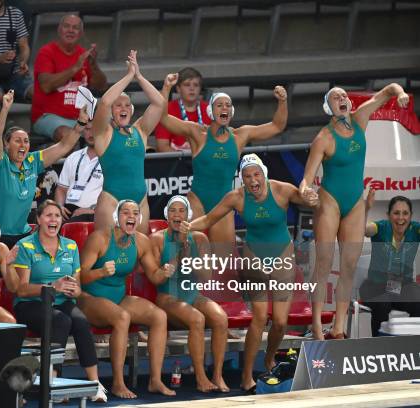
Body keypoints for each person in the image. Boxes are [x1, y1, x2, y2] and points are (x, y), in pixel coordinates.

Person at [181, 154, 319, 393]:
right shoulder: (236, 197)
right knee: (259, 318)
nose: (253, 180)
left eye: (256, 175)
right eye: (247, 176)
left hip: (282, 257)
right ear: (242, 180)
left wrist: (312, 197)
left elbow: (308, 199)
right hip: (254, 258)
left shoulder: (282, 190)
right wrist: (188, 226)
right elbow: (210, 218)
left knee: (280, 322)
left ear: (264, 174)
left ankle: (269, 358)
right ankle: (247, 376)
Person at [299, 83, 409, 339]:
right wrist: (306, 191)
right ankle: (316, 328)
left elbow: (387, 91)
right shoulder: (323, 138)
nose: (342, 98)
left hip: (355, 202)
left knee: (348, 267)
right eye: (336, 97)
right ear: (329, 107)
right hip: (330, 200)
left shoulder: (360, 118)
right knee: (323, 266)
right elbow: (307, 178)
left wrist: (401, 93)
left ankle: (338, 328)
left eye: (344, 95)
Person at [159, 73, 288, 251]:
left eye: (228, 105)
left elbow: (277, 126)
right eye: (219, 105)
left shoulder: (240, 136)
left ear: (232, 112)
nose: (224, 108)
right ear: (211, 111)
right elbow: (163, 118)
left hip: (224, 204)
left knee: (224, 264)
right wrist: (166, 88)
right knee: (187, 257)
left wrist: (282, 101)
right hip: (197, 201)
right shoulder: (198, 133)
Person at [12, 200, 107, 403]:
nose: (53, 219)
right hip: (31, 304)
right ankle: (51, 381)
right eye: (48, 215)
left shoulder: (70, 246)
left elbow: (78, 288)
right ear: (38, 219)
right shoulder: (25, 245)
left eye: (57, 215)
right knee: (61, 320)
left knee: (80, 321)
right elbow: (21, 288)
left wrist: (74, 290)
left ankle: (95, 383)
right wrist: (51, 287)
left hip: (62, 301)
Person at [79, 199, 176, 399]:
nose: (131, 216)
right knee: (122, 317)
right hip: (89, 299)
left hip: (118, 297)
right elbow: (80, 277)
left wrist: (165, 272)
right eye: (125, 213)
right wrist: (101, 272)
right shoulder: (100, 239)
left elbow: (154, 276)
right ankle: (117, 383)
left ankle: (155, 380)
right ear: (116, 217)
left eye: (135, 213)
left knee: (159, 316)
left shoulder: (141, 241)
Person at [0, 90, 87, 248]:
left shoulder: (32, 161)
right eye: (17, 141)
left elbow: (63, 146)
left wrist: (80, 124)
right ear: (6, 145)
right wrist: (5, 108)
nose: (23, 145)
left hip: (21, 234)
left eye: (26, 141)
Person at [150, 195, 229, 392]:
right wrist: (179, 255)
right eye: (173, 211)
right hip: (168, 296)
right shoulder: (157, 239)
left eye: (182, 211)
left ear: (189, 216)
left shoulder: (200, 238)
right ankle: (201, 378)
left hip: (193, 294)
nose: (177, 215)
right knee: (196, 319)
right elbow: (156, 278)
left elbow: (206, 277)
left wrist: (190, 254)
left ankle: (218, 375)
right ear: (167, 215)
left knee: (221, 318)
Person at [92, 50, 164, 234]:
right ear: (112, 113)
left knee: (139, 252)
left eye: (126, 105)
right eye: (118, 105)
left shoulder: (140, 130)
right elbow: (105, 101)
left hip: (140, 200)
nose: (123, 108)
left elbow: (159, 103)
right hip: (111, 200)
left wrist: (139, 76)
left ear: (131, 111)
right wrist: (128, 76)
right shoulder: (103, 133)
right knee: (108, 252)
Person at [31, 14, 107, 142]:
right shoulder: (46, 52)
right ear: (59, 29)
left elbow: (102, 86)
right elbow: (46, 86)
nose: (71, 30)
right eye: (66, 26)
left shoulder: (84, 55)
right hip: (49, 117)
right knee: (67, 135)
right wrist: (75, 68)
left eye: (75, 28)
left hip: (82, 118)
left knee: (109, 131)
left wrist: (93, 65)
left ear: (81, 33)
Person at [360, 190, 420, 336]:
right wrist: (366, 208)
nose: (401, 218)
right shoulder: (381, 227)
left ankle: (413, 348)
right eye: (396, 213)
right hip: (375, 286)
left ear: (410, 216)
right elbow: (364, 230)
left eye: (405, 213)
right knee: (382, 305)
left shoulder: (415, 229)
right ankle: (379, 349)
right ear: (388, 215)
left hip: (402, 286)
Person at [55, 121, 103, 223]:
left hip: (95, 214)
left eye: (95, 129)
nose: (91, 134)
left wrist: (91, 210)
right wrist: (59, 207)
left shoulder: (111, 158)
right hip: (68, 211)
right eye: (87, 129)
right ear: (82, 132)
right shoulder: (73, 157)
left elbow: (115, 195)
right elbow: (61, 189)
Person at [154, 67, 211, 152]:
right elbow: (162, 146)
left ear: (200, 88)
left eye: (196, 85)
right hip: (177, 161)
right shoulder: (167, 110)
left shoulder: (210, 109)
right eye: (187, 84)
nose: (192, 88)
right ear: (178, 88)